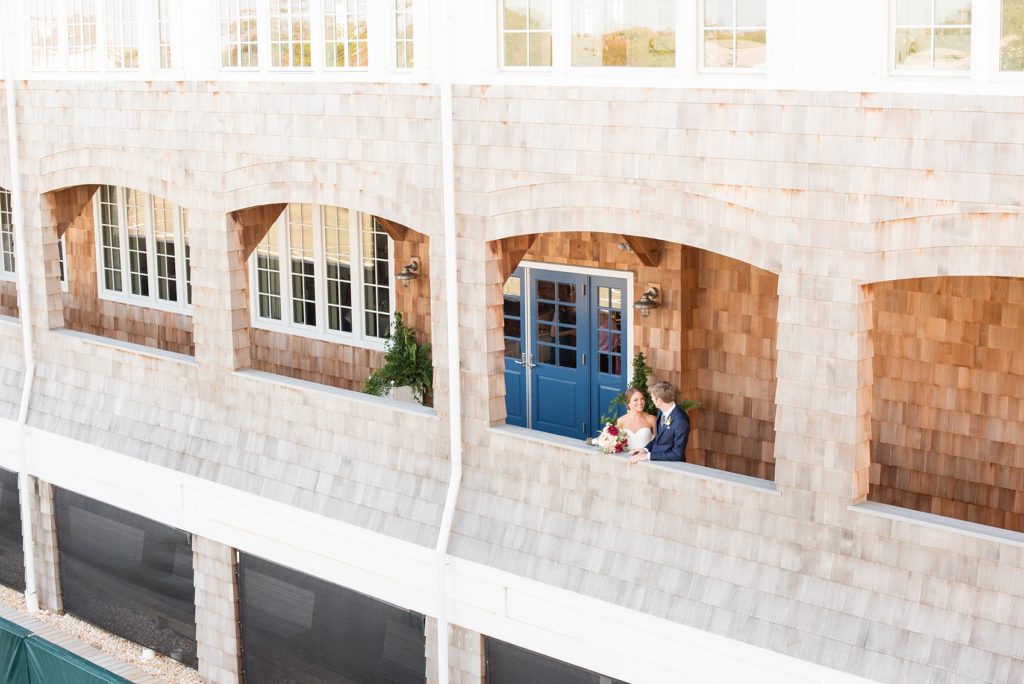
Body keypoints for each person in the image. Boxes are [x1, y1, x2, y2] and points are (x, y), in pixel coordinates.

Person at [628, 381, 689, 463]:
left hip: (671, 468)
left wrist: (648, 456)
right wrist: (645, 450)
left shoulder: (681, 421)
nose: (652, 400)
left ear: (659, 401)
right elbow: (658, 438)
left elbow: (677, 454)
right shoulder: (661, 411)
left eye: (653, 398)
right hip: (655, 463)